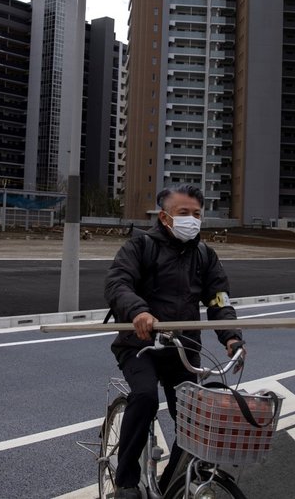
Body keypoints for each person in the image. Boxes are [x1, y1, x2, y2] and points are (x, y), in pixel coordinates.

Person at [104, 184, 243, 498]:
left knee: (196, 420)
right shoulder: (140, 247)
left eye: (196, 214)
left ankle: (168, 487)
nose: (192, 220)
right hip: (141, 346)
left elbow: (220, 301)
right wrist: (138, 311)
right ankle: (126, 481)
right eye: (184, 213)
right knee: (145, 397)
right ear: (165, 217)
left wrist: (232, 337)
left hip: (183, 349)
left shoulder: (205, 255)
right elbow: (118, 282)